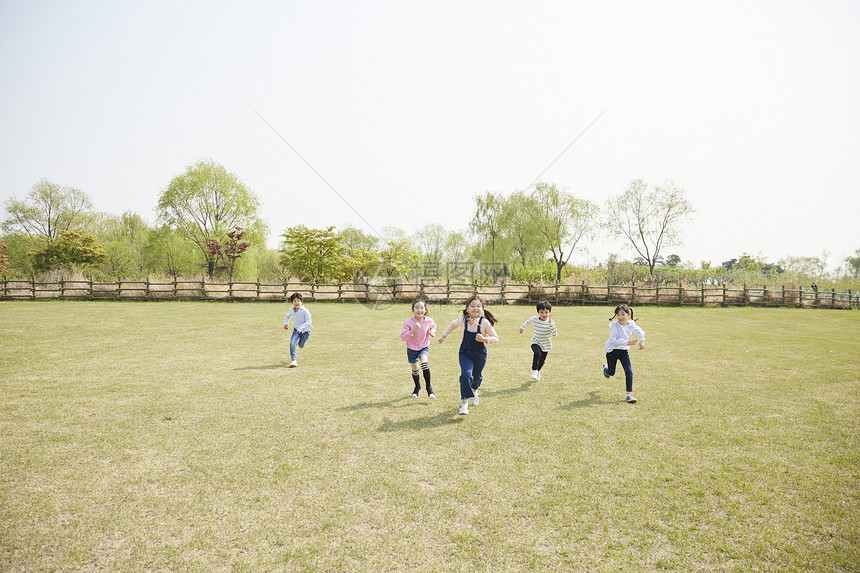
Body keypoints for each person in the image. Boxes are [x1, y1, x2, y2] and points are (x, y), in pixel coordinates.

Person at [438, 295, 499, 415]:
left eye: (478, 306)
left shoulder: (484, 322)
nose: (475, 308)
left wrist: (484, 339)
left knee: (477, 377)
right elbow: (452, 324)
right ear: (467, 308)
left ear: (482, 309)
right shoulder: (463, 319)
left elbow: (496, 338)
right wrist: (444, 336)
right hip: (465, 353)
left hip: (480, 354)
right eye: (472, 306)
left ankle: (475, 390)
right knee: (466, 376)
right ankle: (464, 404)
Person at [603, 304, 645, 403]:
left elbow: (640, 332)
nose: (620, 317)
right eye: (618, 315)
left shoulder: (631, 324)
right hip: (612, 351)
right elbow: (613, 340)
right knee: (611, 372)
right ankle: (606, 369)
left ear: (628, 314)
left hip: (623, 351)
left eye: (623, 314)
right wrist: (627, 342)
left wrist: (642, 340)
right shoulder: (614, 325)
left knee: (629, 372)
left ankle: (629, 395)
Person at [400, 298, 437, 398]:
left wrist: (432, 331)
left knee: (424, 364)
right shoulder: (409, 322)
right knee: (415, 369)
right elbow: (403, 337)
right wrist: (413, 330)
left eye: (422, 307)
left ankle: (429, 389)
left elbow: (433, 326)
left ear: (425, 310)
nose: (419, 310)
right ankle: (417, 387)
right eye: (417, 308)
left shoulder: (429, 320)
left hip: (423, 346)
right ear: (413, 310)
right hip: (411, 348)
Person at [519, 300, 558, 381]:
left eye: (546, 312)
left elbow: (554, 334)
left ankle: (538, 371)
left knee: (542, 361)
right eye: (541, 312)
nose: (544, 314)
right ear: (538, 312)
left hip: (546, 344)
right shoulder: (535, 319)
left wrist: (550, 324)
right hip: (535, 342)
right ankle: (534, 370)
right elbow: (528, 322)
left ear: (549, 312)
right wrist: (522, 328)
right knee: (537, 354)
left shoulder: (551, 322)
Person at [283, 292, 312, 367]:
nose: (297, 303)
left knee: (301, 346)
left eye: (298, 301)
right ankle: (294, 360)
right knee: (292, 343)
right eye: (295, 301)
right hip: (296, 330)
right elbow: (287, 316)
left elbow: (309, 322)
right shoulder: (292, 310)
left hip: (305, 332)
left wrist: (300, 328)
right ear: (292, 302)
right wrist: (286, 323)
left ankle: (299, 342)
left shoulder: (305, 311)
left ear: (301, 302)